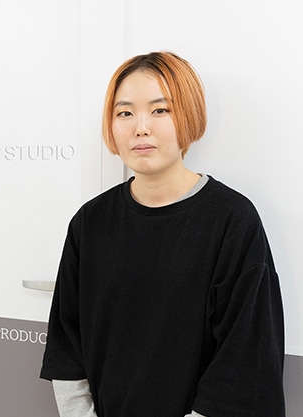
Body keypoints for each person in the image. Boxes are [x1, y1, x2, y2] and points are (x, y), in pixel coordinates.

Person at [40, 52, 285, 416]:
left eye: (160, 110)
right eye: (125, 113)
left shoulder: (232, 221)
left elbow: (245, 362)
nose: (141, 128)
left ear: (189, 115)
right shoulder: (90, 223)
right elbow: (67, 344)